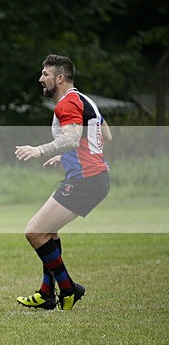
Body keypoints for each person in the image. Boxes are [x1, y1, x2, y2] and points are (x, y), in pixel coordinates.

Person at [14, 54, 110, 310]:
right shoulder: (86, 100)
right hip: (92, 179)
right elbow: (105, 135)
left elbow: (71, 139)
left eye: (45, 74)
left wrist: (40, 150)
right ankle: (46, 294)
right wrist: (65, 155)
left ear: (59, 78)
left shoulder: (67, 104)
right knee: (48, 233)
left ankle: (68, 289)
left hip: (86, 181)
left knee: (34, 232)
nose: (40, 79)